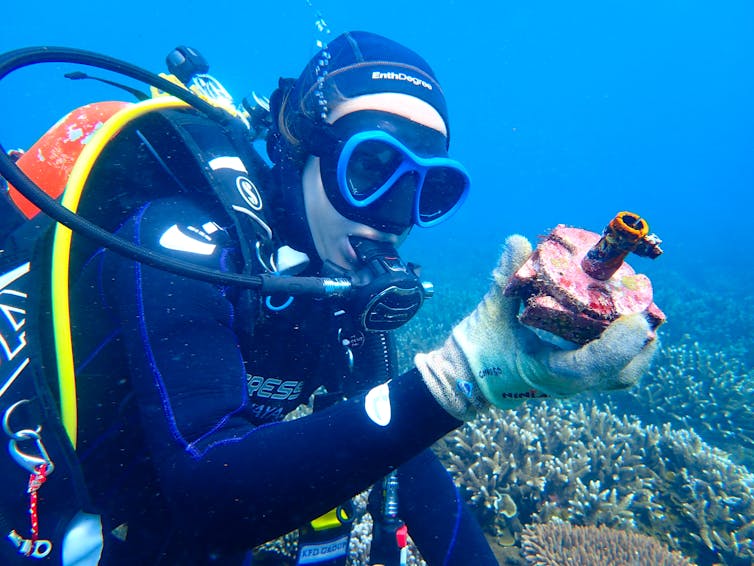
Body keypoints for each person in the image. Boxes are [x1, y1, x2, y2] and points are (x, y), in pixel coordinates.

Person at [61, 31, 658, 565]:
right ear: (301, 146)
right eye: (370, 167)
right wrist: (461, 381)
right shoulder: (175, 242)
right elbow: (206, 494)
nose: (393, 219)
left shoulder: (338, 287)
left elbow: (401, 452)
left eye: (428, 188)